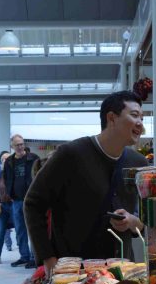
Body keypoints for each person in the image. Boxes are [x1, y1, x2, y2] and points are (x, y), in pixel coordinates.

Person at [25, 91, 148, 272]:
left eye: (142, 118)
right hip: (74, 273)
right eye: (134, 115)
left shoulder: (139, 163)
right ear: (111, 118)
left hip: (121, 272)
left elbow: (145, 220)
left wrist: (132, 222)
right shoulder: (70, 155)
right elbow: (33, 203)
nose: (140, 123)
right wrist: (47, 256)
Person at [0, 134, 41, 268]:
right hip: (17, 200)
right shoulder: (9, 161)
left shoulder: (33, 158)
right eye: (17, 145)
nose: (20, 147)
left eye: (22, 144)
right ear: (12, 146)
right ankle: (24, 256)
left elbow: (40, 175)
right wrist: (10, 193)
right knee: (20, 229)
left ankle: (35, 257)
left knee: (33, 229)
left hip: (32, 199)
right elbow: (6, 178)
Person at [0, 151, 15, 264]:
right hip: (3, 206)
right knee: (1, 231)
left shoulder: (15, 172)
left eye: (8, 158)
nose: (5, 160)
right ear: (1, 161)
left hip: (15, 205)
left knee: (21, 231)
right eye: (3, 159)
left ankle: (26, 256)